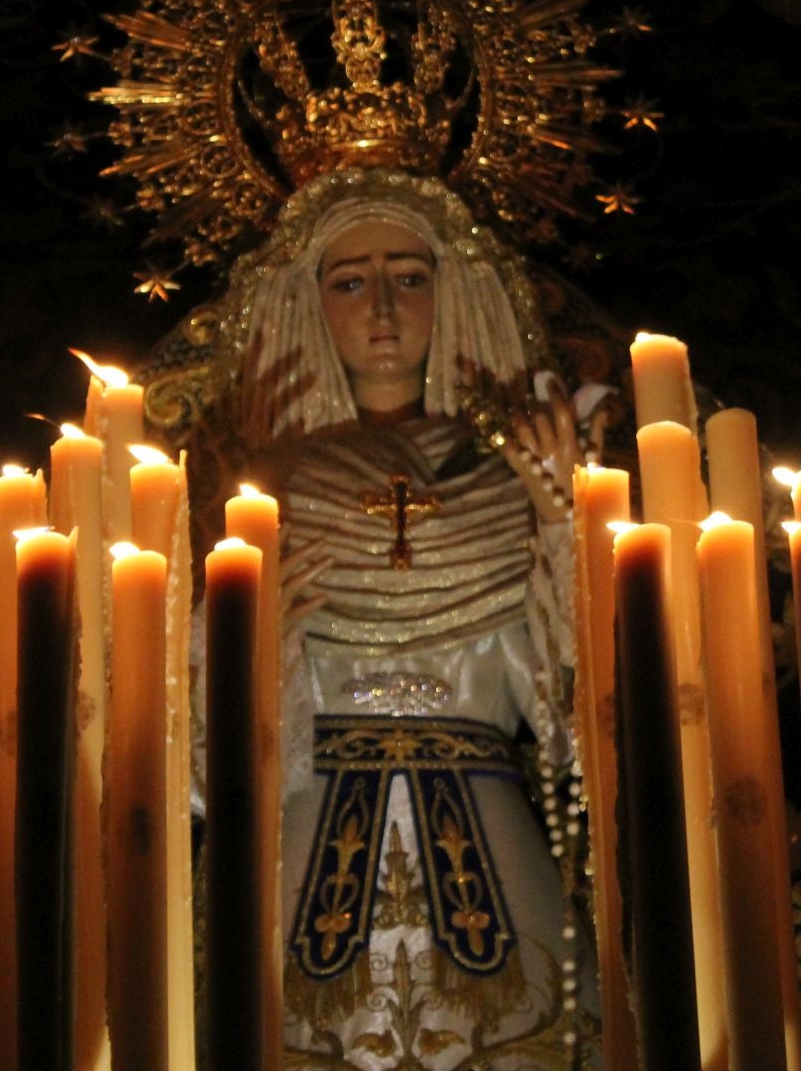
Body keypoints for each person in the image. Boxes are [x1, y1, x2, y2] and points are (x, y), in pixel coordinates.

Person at [199, 166, 604, 1069]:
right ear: (308, 303)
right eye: (350, 282)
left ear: (452, 291)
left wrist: (562, 527)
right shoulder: (264, 488)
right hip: (311, 824)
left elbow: (577, 721)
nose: (382, 308)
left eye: (409, 277)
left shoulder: (514, 480)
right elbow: (202, 748)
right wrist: (249, 634)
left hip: (490, 829)